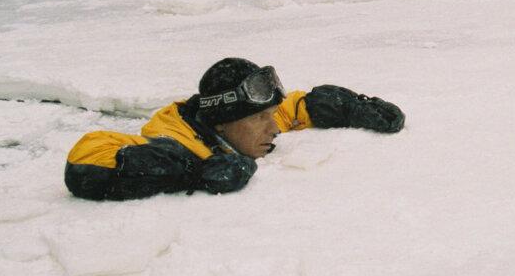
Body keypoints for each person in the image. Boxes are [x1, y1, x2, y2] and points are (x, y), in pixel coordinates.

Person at [64, 58, 404, 200]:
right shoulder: (173, 144)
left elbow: (297, 107)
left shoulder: (237, 125)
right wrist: (193, 173)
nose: (274, 128)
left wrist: (354, 108)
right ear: (222, 123)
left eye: (270, 115)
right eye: (260, 119)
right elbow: (85, 160)